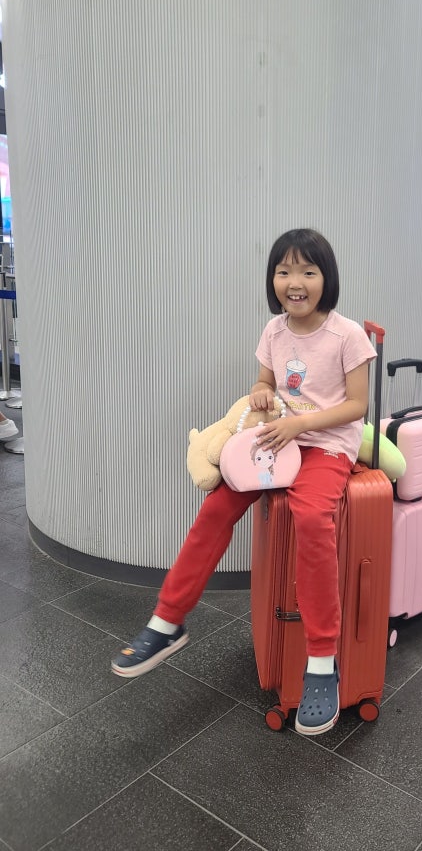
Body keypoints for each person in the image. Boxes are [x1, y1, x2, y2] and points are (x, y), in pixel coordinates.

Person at [112, 228, 376, 737]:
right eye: (284, 271)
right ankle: (167, 622)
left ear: (326, 278)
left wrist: (301, 424)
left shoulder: (347, 335)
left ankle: (323, 661)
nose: (295, 282)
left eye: (307, 271)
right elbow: (266, 382)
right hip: (277, 439)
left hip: (325, 446)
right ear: (272, 279)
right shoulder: (274, 331)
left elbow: (357, 406)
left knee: (311, 517)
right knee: (216, 506)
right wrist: (259, 392)